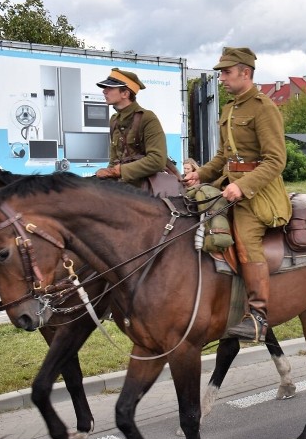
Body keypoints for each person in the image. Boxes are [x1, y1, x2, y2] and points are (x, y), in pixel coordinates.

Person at [183, 47, 292, 342]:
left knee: (244, 236)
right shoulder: (229, 109)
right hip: (229, 187)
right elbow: (223, 157)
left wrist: (242, 186)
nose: (221, 78)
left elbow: (275, 160)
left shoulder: (264, 107)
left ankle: (257, 315)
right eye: (220, 73)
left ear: (246, 72)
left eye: (227, 72)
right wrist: (201, 174)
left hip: (260, 193)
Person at [94, 68, 169, 187]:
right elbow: (114, 160)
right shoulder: (114, 120)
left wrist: (119, 171)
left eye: (110, 88)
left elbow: (157, 160)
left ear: (125, 93)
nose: (104, 91)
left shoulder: (147, 118)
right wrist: (107, 176)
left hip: (145, 191)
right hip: (122, 187)